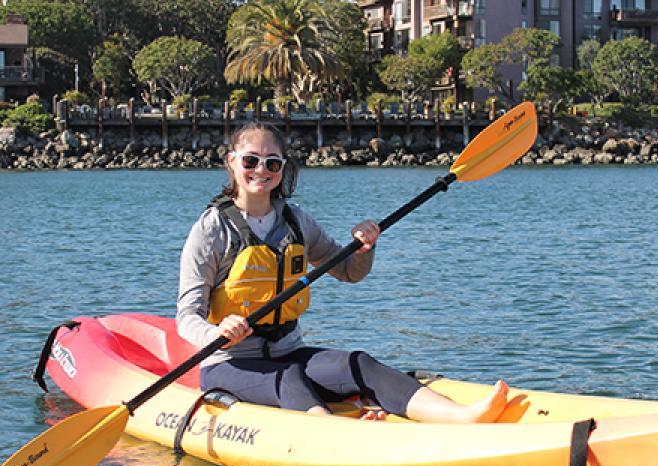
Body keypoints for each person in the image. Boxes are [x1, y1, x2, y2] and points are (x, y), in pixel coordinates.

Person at [177, 121, 509, 422]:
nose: (261, 170)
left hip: (289, 352)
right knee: (289, 378)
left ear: (282, 168)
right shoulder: (211, 230)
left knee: (359, 363)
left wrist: (365, 246)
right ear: (232, 161)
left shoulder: (296, 222)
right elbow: (187, 316)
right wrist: (216, 333)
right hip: (230, 364)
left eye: (272, 163)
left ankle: (459, 416)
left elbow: (349, 271)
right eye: (251, 160)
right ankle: (334, 432)